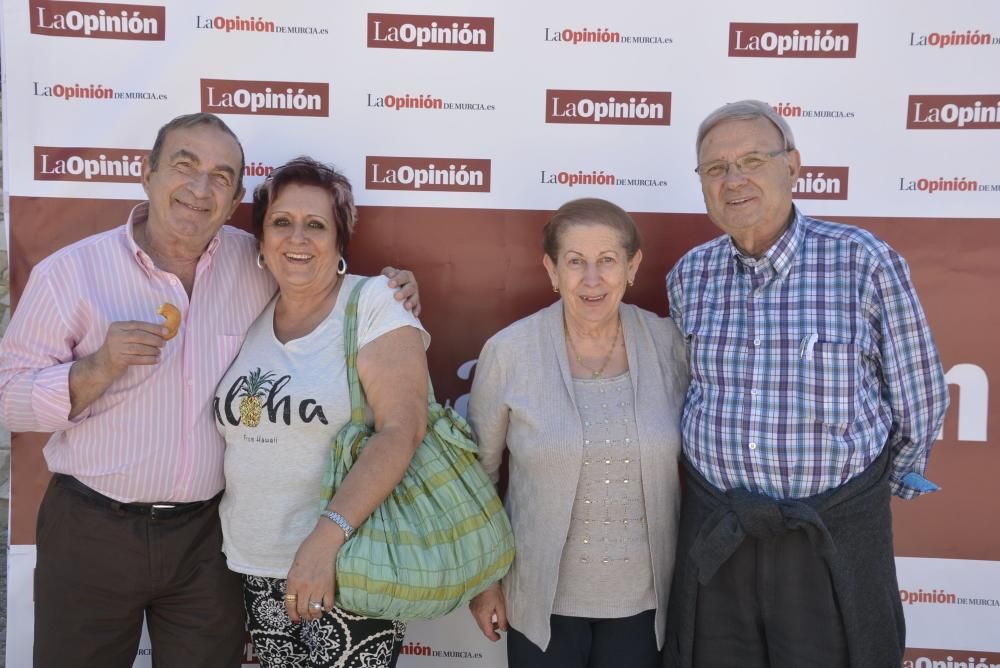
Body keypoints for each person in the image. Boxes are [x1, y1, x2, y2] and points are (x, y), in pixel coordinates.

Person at [0, 113, 420, 668]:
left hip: (206, 541)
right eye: (184, 166)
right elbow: (9, 397)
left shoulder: (255, 263)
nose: (200, 189)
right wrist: (95, 368)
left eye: (221, 177)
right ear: (145, 175)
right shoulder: (69, 275)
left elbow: (321, 279)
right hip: (92, 529)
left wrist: (392, 293)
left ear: (235, 196)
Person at [663, 100, 949, 668]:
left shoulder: (863, 262)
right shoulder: (688, 275)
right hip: (719, 536)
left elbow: (920, 396)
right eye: (715, 169)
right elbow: (680, 390)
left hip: (830, 536)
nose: (733, 180)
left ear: (793, 165)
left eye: (751, 160)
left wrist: (856, 499)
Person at [214, 156, 429, 668]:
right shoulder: (249, 310)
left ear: (340, 240)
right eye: (281, 223)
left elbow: (402, 430)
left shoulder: (374, 301)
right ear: (261, 240)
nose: (298, 238)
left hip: (347, 563)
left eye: (316, 225)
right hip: (254, 567)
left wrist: (324, 542)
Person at [466, 198, 689, 668]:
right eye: (575, 262)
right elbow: (477, 480)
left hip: (644, 607)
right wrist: (483, 583)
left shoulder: (670, 345)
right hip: (538, 605)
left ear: (633, 266)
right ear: (551, 270)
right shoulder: (509, 352)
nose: (592, 279)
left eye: (607, 260)